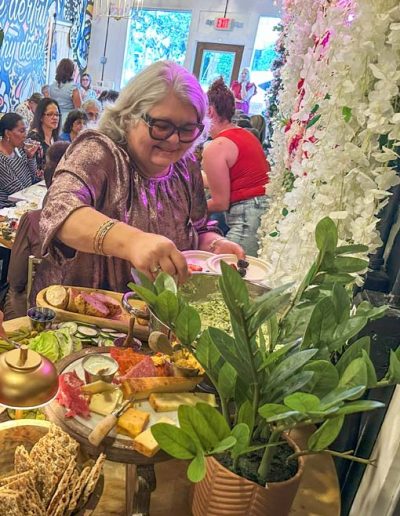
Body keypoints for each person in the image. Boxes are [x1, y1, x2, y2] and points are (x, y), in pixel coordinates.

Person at [37, 61, 244, 295]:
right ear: (129, 115)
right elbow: (58, 211)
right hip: (84, 309)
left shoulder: (185, 166)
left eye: (187, 129)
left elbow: (199, 228)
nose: (174, 140)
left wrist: (215, 245)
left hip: (158, 310)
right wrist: (133, 241)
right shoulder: (99, 151)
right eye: (161, 125)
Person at [203, 78, 270, 256]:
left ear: (209, 111)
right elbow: (233, 180)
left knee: (229, 267)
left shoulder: (216, 147)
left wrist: (189, 208)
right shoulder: (245, 135)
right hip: (261, 209)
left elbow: (220, 202)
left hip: (247, 215)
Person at [4, 141, 70, 319]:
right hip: (79, 312)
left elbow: (16, 279)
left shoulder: (33, 220)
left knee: (12, 291)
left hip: (38, 312)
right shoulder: (101, 224)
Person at [0, 114, 40, 209]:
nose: (25, 135)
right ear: (7, 133)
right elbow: (18, 191)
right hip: (8, 209)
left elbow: (34, 177)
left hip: (24, 201)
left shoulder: (19, 149)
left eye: (26, 130)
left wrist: (30, 157)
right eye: (21, 131)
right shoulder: (1, 159)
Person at [28, 98, 61, 174]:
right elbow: (33, 169)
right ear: (41, 117)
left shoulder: (56, 138)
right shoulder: (33, 139)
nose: (55, 118)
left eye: (57, 114)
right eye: (50, 114)